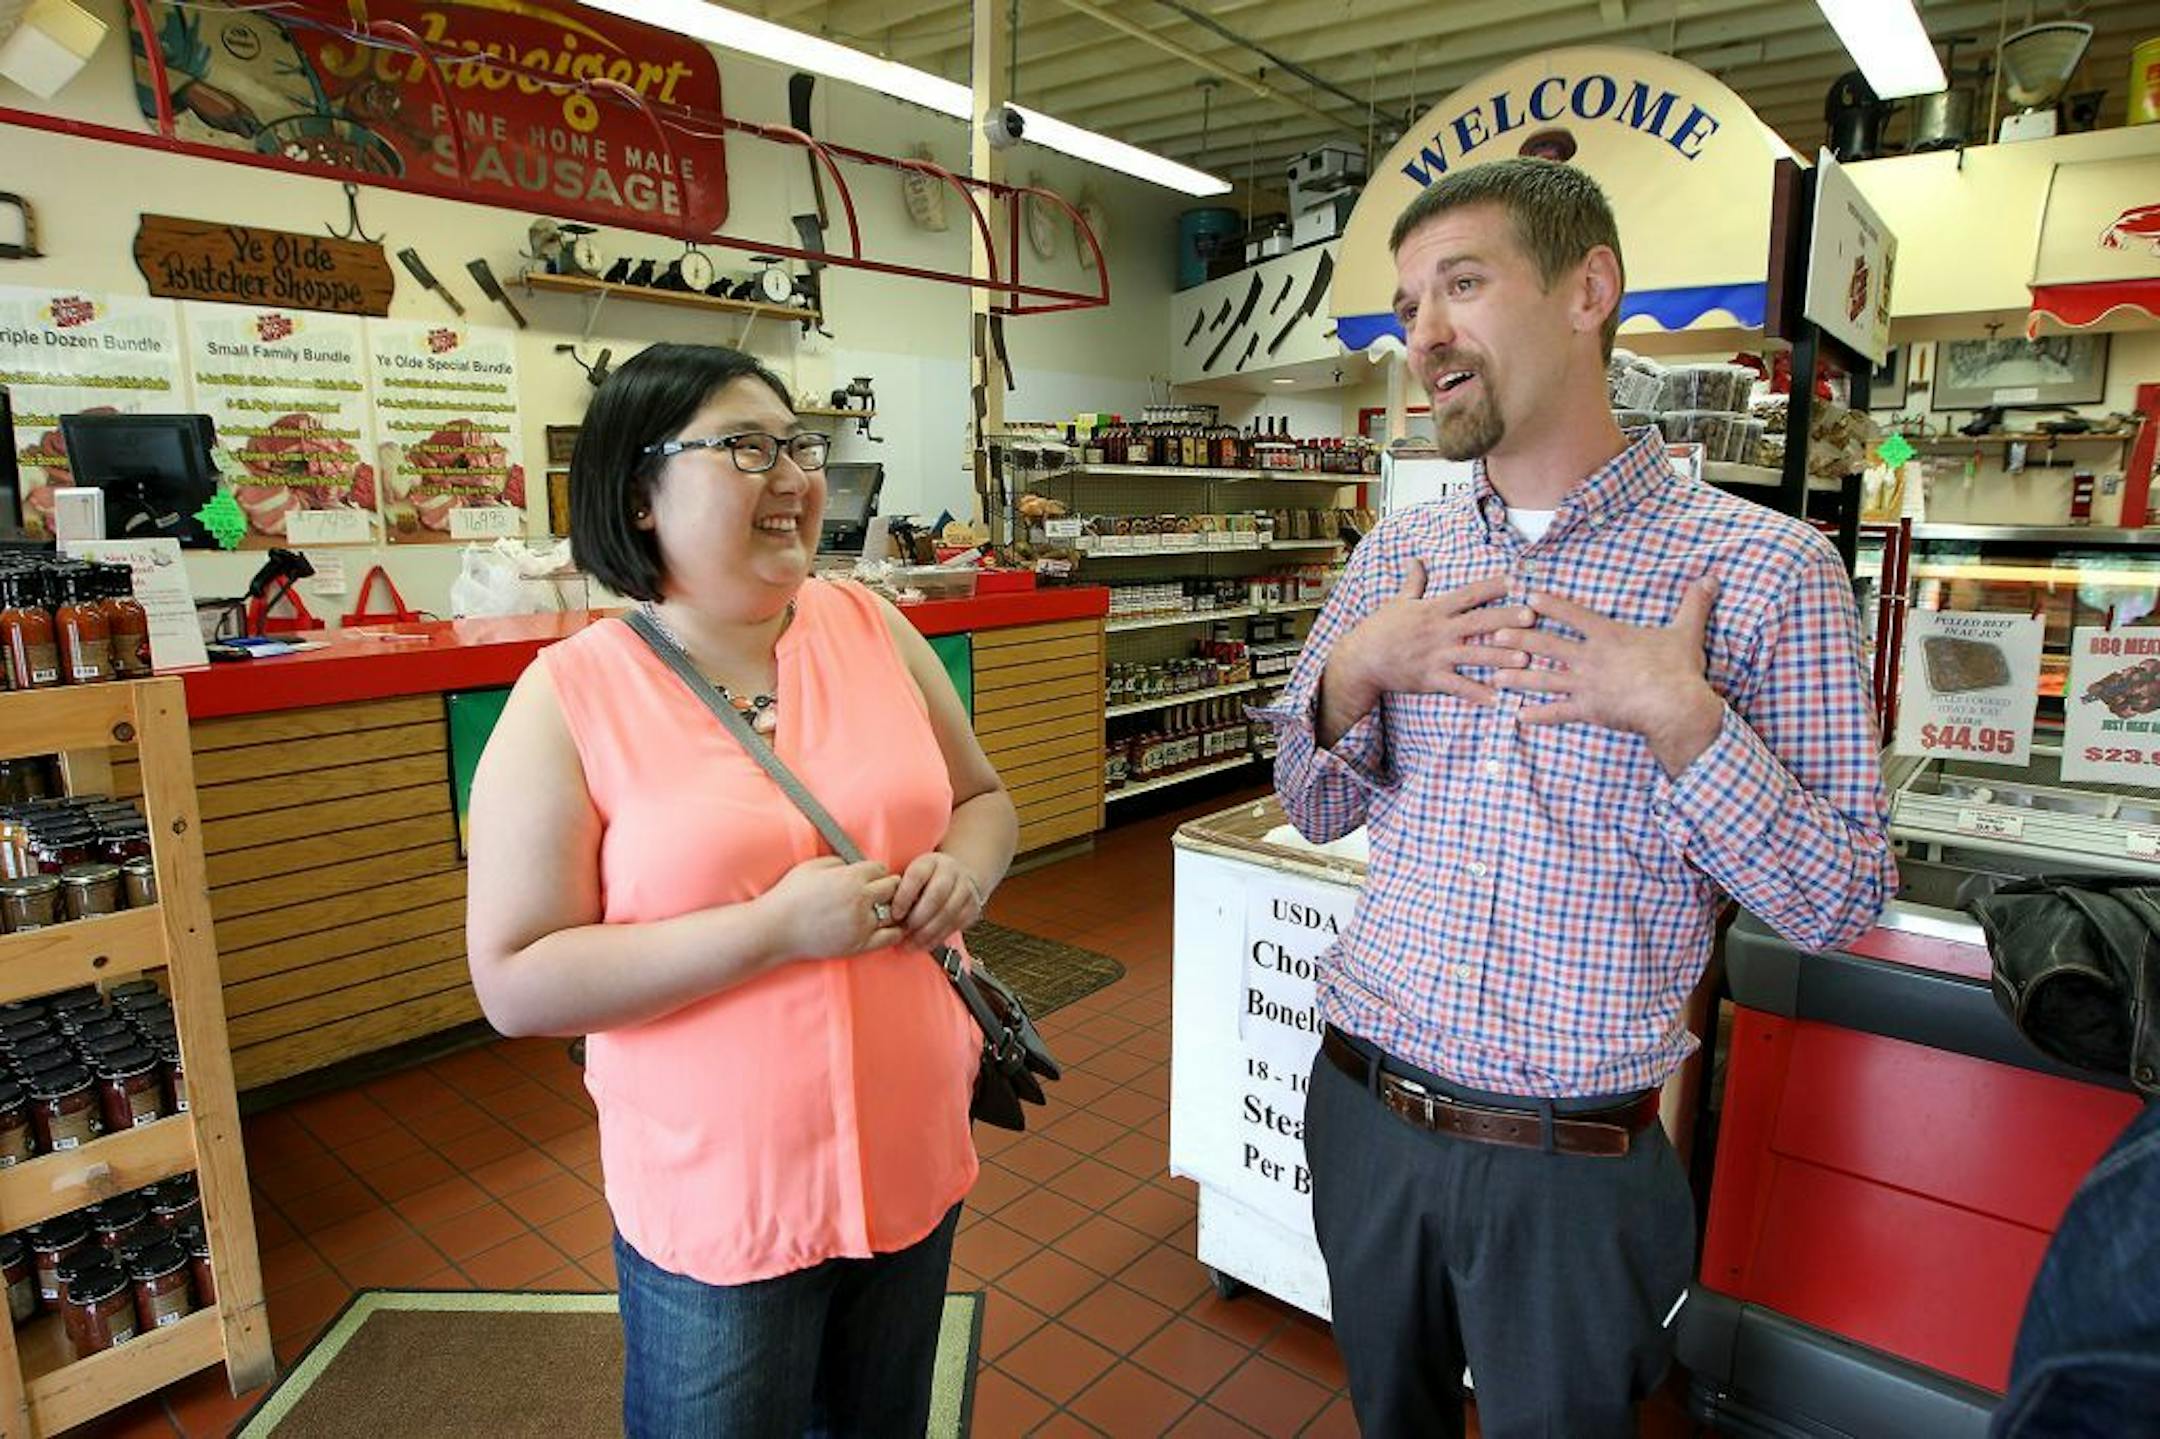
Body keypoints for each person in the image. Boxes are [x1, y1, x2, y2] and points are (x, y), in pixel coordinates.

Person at [1258, 158, 1896, 1437]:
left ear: (1588, 291)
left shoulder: (1768, 570)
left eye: (1464, 284)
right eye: (1407, 301)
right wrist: (1351, 673)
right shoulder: (1402, 549)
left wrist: (1687, 724)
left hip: (1572, 1165)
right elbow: (1310, 802)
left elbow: (1839, 900)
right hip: (1363, 1108)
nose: (1422, 333)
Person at [464, 343, 1015, 1437]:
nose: (795, 476)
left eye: (799, 444)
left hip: (912, 1155)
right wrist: (769, 931)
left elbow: (983, 798)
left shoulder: (870, 624)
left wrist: (965, 871)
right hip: (722, 1202)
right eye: (746, 447)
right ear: (640, 493)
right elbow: (517, 979)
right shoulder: (569, 695)